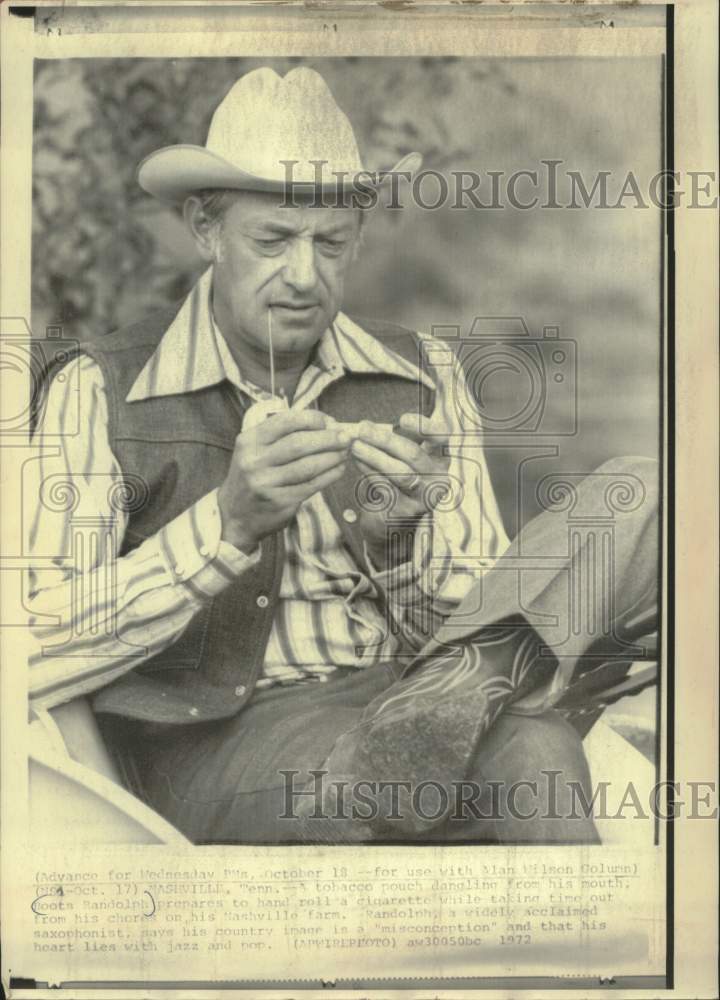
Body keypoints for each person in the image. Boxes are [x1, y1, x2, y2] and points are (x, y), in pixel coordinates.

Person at [28, 67, 658, 844]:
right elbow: (28, 647)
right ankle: (430, 728)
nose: (303, 275)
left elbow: (465, 612)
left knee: (641, 498)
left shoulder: (424, 374)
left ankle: (579, 941)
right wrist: (223, 529)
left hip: (406, 698)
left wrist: (400, 555)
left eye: (329, 243)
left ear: (358, 237)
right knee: (380, 766)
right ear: (204, 227)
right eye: (273, 241)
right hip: (220, 748)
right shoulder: (98, 387)